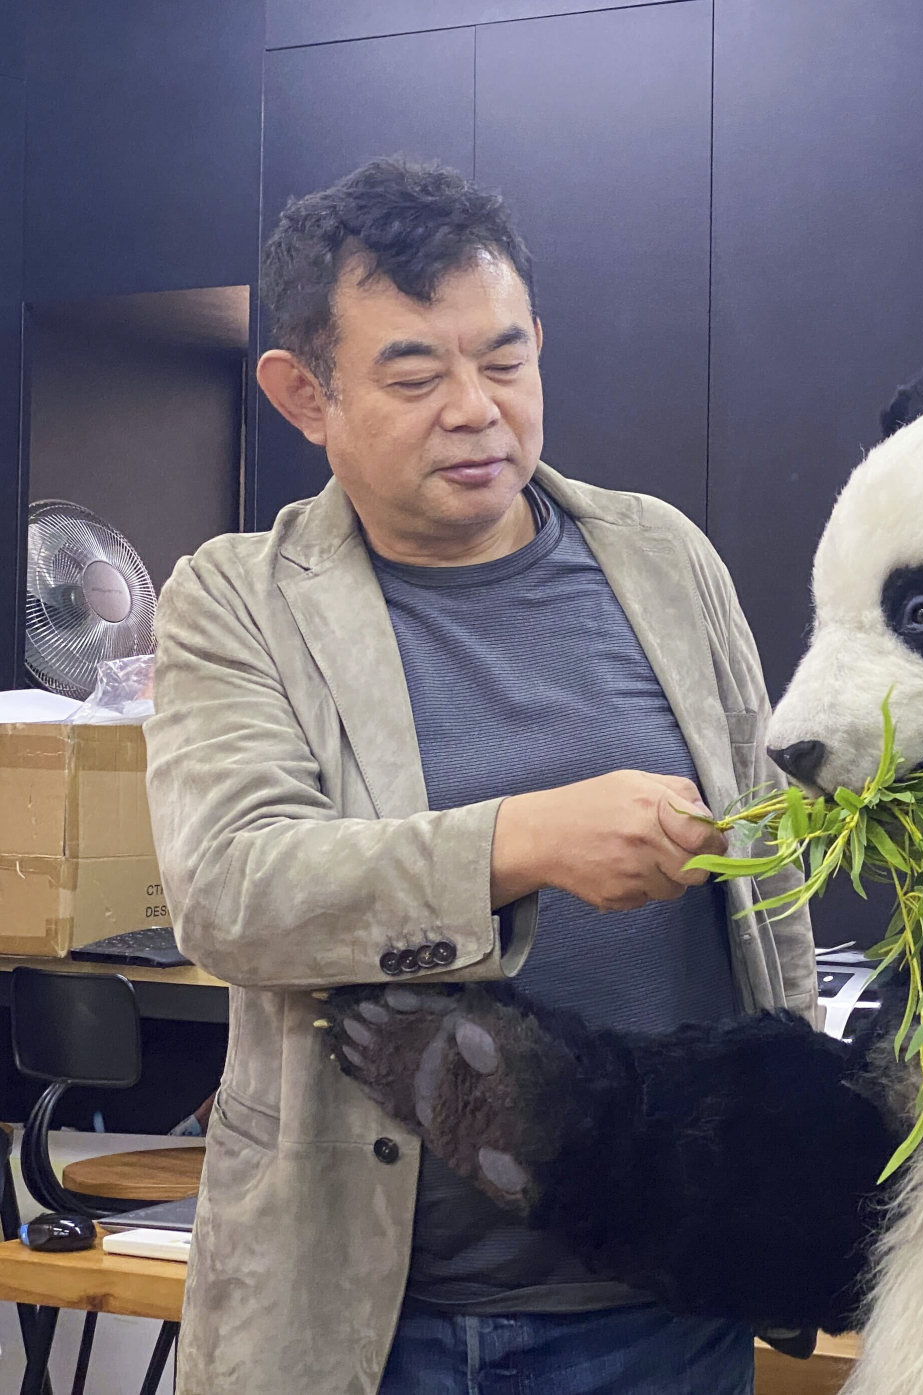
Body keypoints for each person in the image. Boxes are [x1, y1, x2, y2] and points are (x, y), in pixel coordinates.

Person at [144, 158, 815, 1395]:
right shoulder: (236, 601)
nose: (476, 408)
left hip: (665, 1305)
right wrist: (518, 843)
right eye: (414, 373)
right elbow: (232, 890)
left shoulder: (662, 557)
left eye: (505, 361)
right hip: (377, 1317)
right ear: (305, 393)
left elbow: (770, 880)